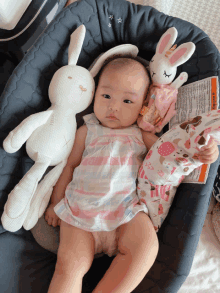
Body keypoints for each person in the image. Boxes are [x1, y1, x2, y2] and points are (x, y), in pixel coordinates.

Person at [45, 57, 219, 293]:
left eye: (127, 100)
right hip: (81, 212)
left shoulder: (140, 135)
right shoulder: (87, 130)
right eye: (106, 96)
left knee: (146, 247)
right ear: (94, 94)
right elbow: (69, 166)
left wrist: (201, 150)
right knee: (69, 266)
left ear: (143, 106)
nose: (113, 107)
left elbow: (170, 152)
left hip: (125, 211)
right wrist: (55, 203)